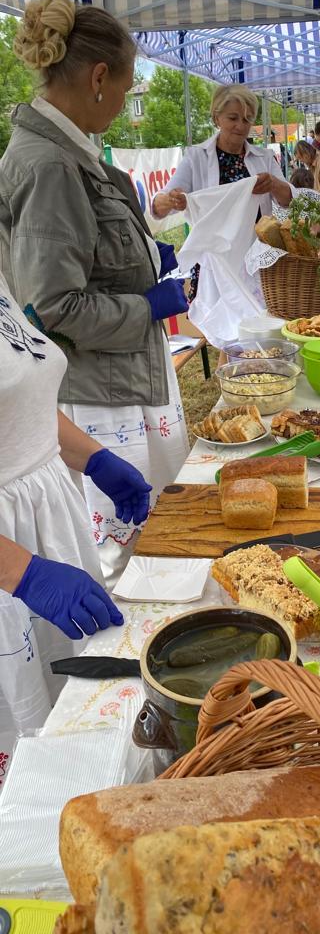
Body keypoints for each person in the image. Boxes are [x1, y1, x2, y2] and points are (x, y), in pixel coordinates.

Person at [1, 0, 190, 587]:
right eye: (130, 89)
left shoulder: (74, 155)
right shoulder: (49, 165)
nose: (128, 102)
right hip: (99, 396)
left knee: (155, 541)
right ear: (99, 77)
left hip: (123, 378)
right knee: (124, 563)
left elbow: (85, 260)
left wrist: (144, 259)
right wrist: (147, 304)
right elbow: (51, 306)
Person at [0, 269, 155, 764]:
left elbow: (21, 396)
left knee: (75, 711)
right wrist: (22, 572)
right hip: (9, 557)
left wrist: (93, 458)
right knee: (26, 739)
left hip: (45, 525)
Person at [152, 84, 292, 220]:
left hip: (258, 243)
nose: (240, 126)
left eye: (247, 119)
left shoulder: (265, 157)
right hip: (212, 243)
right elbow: (157, 208)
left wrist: (273, 184)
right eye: (233, 118)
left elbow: (290, 201)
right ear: (216, 118)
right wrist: (172, 200)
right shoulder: (196, 157)